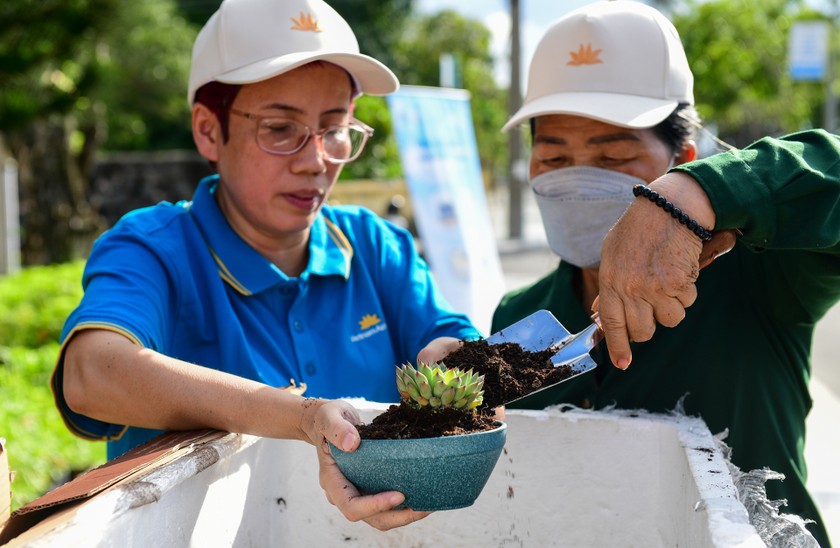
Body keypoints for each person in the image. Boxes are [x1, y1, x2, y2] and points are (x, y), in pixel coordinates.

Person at [51, 0, 480, 531]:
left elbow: (445, 335)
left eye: (335, 128)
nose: (315, 160)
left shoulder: (376, 245)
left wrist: (457, 360)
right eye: (280, 129)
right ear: (209, 131)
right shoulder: (155, 249)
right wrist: (301, 417)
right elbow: (91, 373)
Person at [492, 1, 840, 546]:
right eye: (554, 159)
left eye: (612, 158)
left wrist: (699, 194)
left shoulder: (762, 273)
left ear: (683, 158)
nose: (578, 180)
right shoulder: (520, 316)